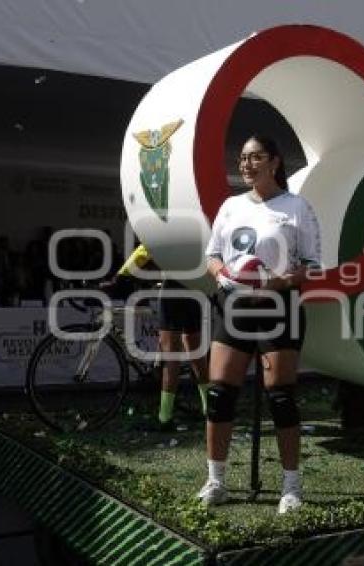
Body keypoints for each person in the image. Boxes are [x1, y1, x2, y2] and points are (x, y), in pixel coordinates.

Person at [197, 134, 321, 514]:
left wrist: (277, 283)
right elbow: (213, 254)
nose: (247, 164)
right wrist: (223, 278)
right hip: (234, 304)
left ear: (275, 162)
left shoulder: (296, 206)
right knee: (220, 394)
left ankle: (291, 487)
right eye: (243, 158)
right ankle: (216, 480)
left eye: (256, 157)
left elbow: (312, 266)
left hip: (277, 306)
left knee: (280, 396)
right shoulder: (231, 206)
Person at [104, 244, 210, 431]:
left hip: (173, 289)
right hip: (195, 288)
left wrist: (120, 276)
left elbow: (146, 249)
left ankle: (165, 417)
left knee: (171, 359)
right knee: (197, 355)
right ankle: (210, 411)